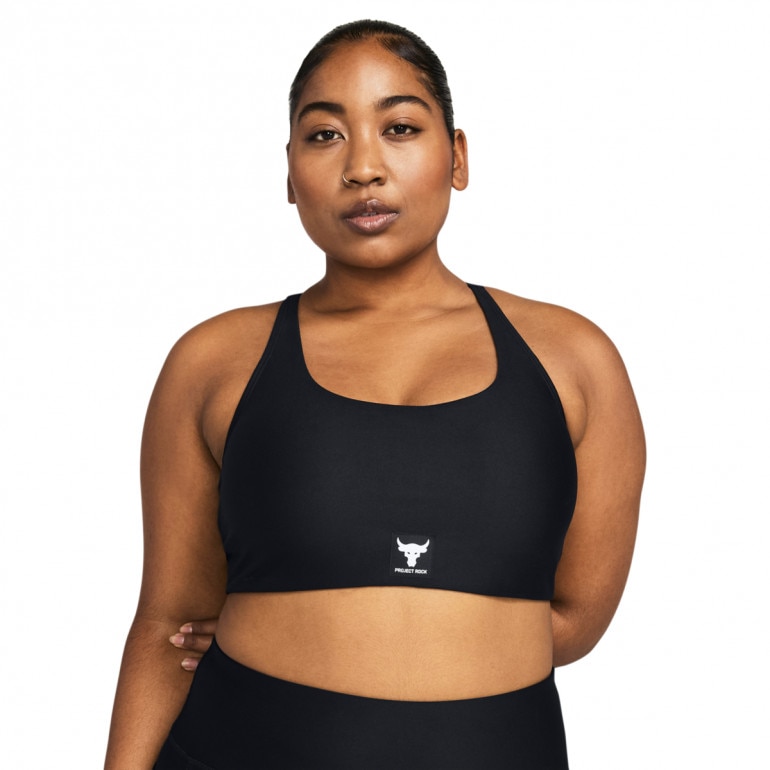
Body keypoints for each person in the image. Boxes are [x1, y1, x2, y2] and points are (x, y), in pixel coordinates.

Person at [105, 19, 645, 770]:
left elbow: (576, 620)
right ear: (289, 174)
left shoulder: (574, 360)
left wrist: (399, 645)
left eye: (399, 128)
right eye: (325, 136)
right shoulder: (215, 361)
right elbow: (169, 629)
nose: (363, 168)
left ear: (457, 157)